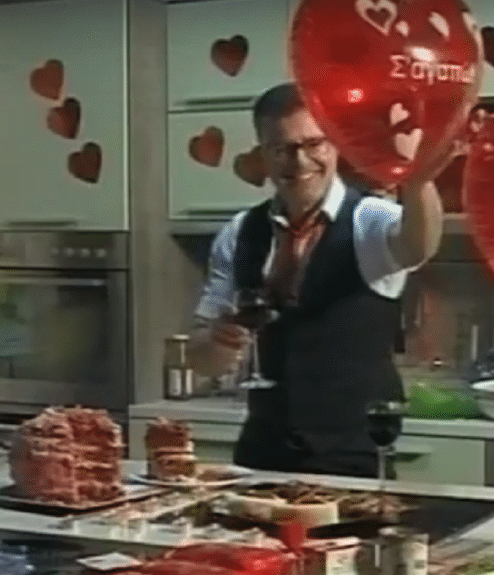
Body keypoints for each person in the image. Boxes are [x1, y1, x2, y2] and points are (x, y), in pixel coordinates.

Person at [187, 82, 456, 478]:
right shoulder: (240, 231)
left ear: (334, 145)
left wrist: (417, 182)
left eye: (313, 144)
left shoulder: (369, 218)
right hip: (262, 454)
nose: (299, 162)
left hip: (352, 458)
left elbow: (419, 246)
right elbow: (201, 360)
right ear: (263, 154)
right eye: (282, 149)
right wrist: (218, 344)